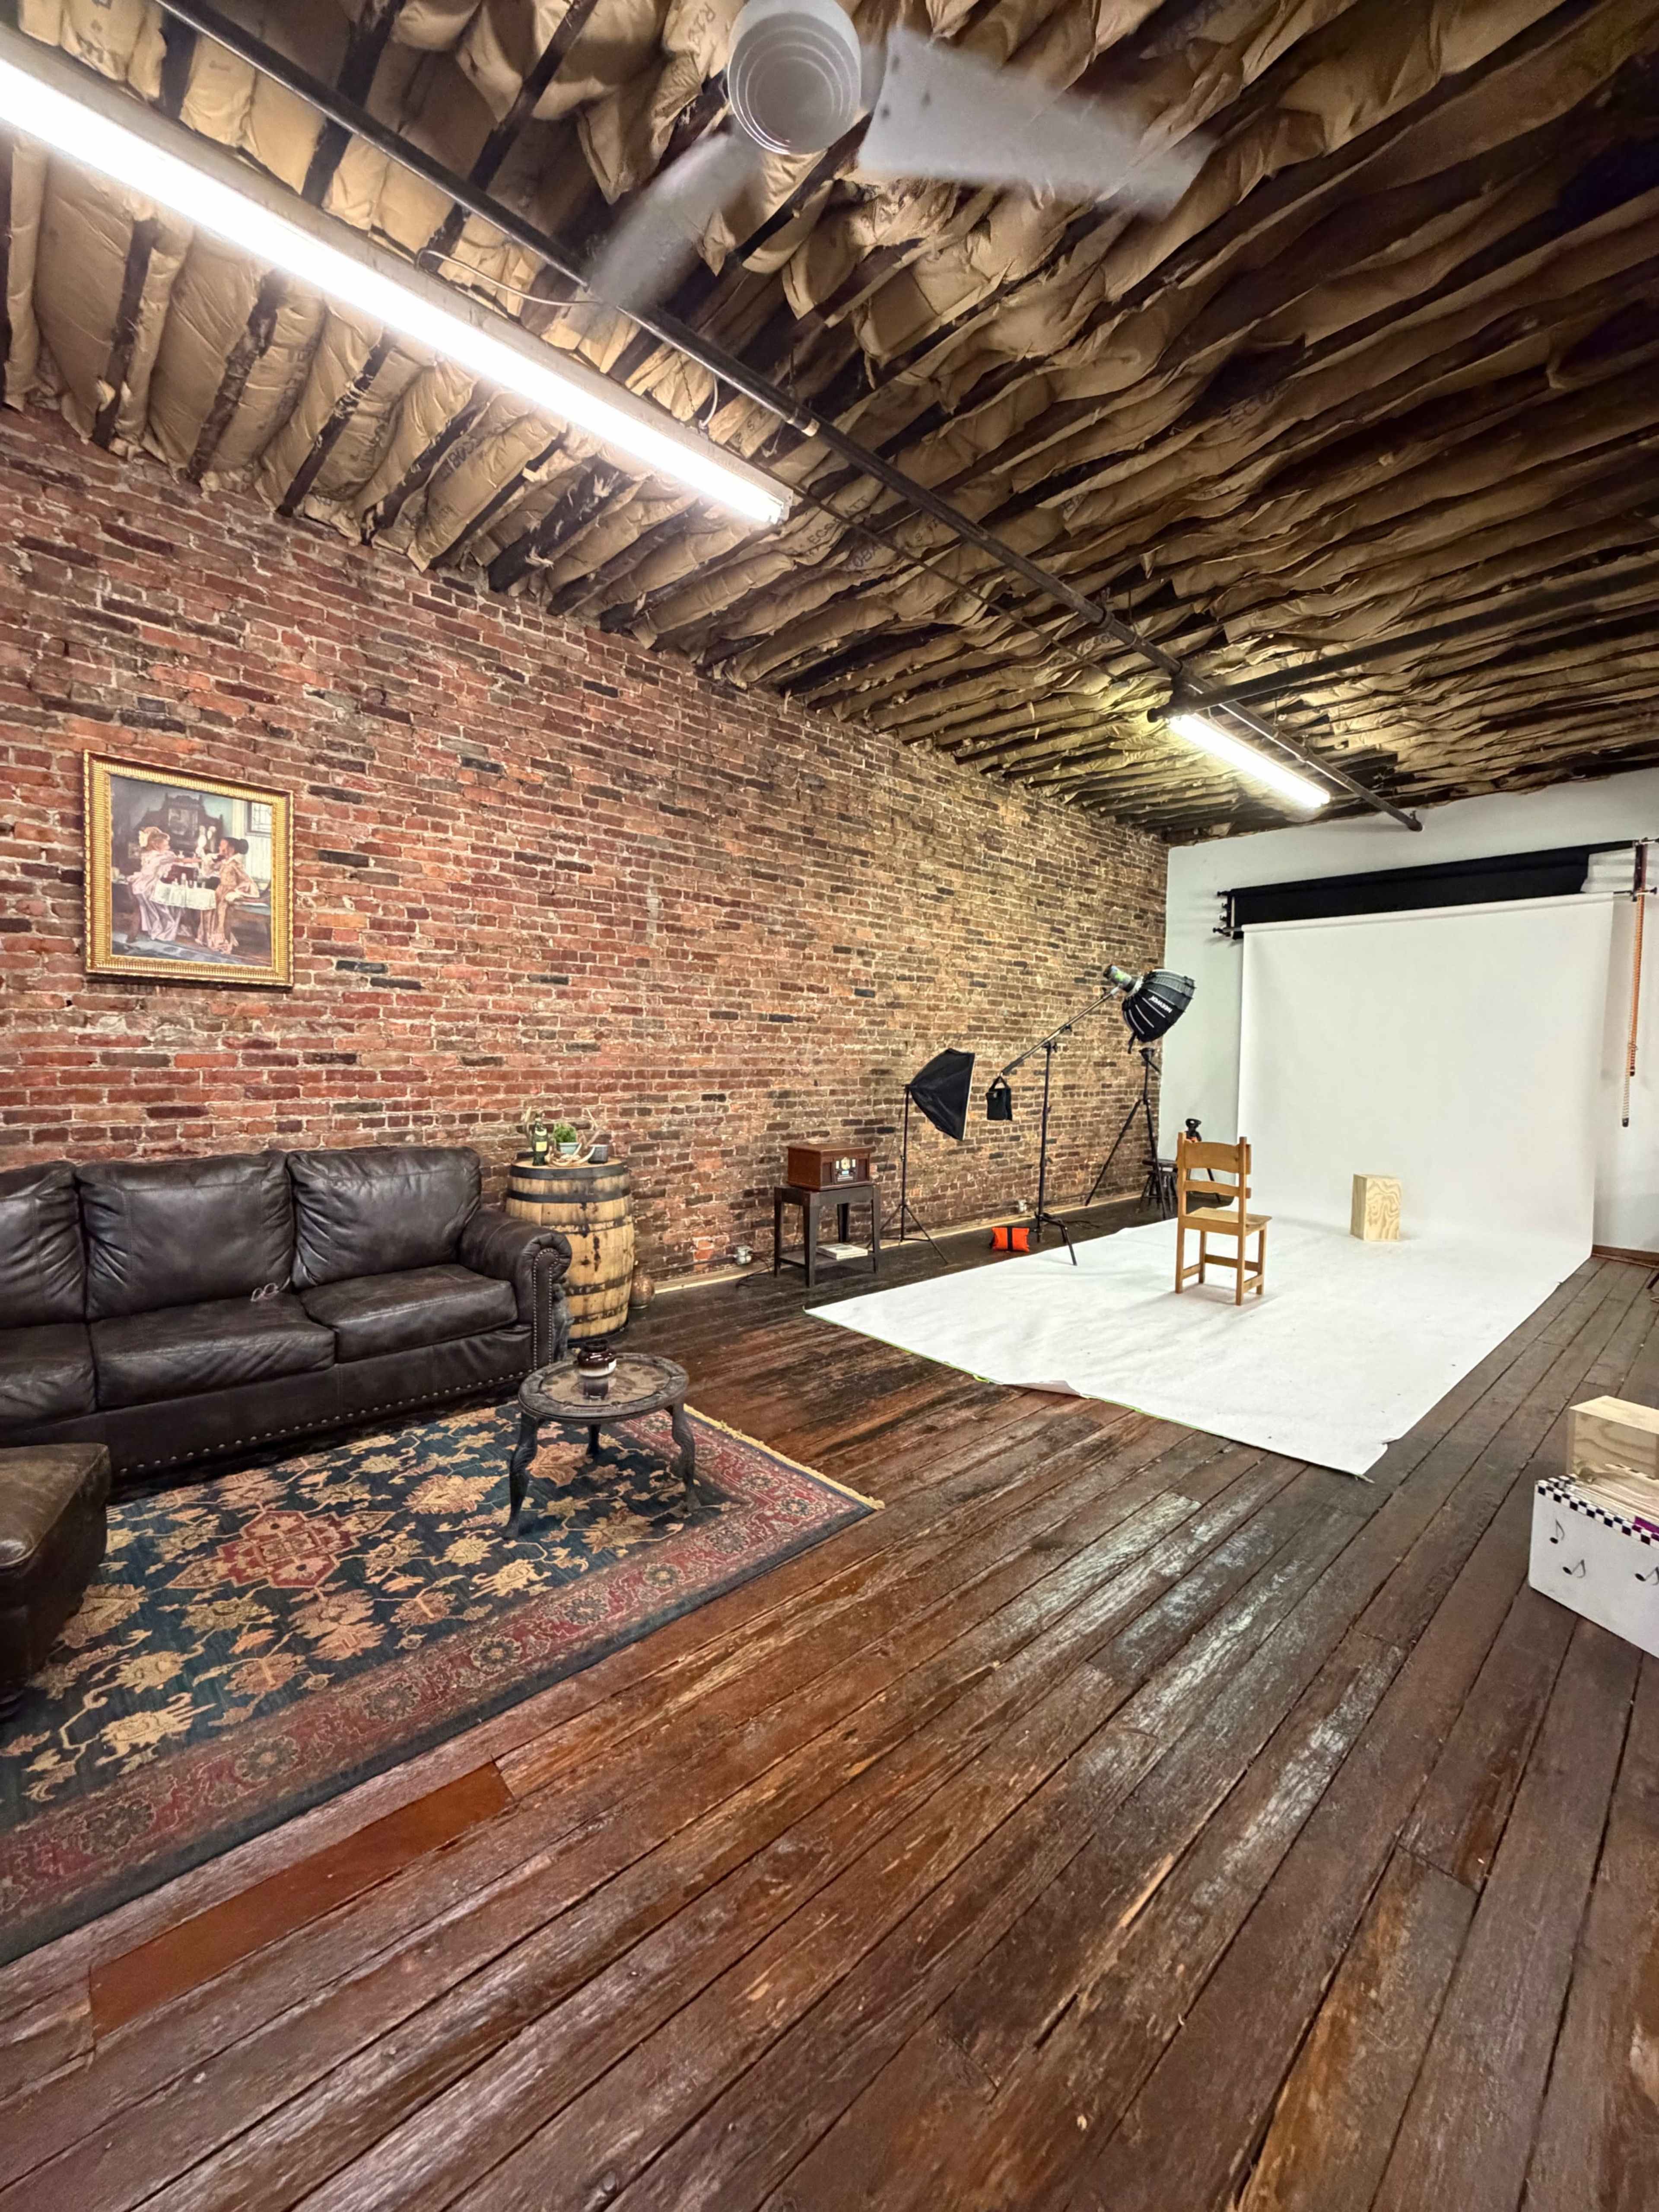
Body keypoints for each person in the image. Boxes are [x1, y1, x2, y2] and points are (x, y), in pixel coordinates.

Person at [125, 828, 182, 943]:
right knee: (163, 907)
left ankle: (134, 935)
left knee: (143, 910)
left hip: (139, 886)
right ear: (156, 845)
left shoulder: (148, 855)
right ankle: (159, 929)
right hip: (147, 887)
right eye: (166, 845)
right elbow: (182, 860)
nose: (168, 847)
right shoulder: (159, 857)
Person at [203, 834, 256, 954]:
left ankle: (223, 942)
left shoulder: (235, 864)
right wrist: (212, 859)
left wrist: (236, 891)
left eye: (223, 846)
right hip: (220, 891)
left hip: (228, 891)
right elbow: (209, 871)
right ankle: (212, 938)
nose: (220, 847)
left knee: (222, 911)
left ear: (231, 849)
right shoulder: (224, 862)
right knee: (211, 909)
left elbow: (247, 881)